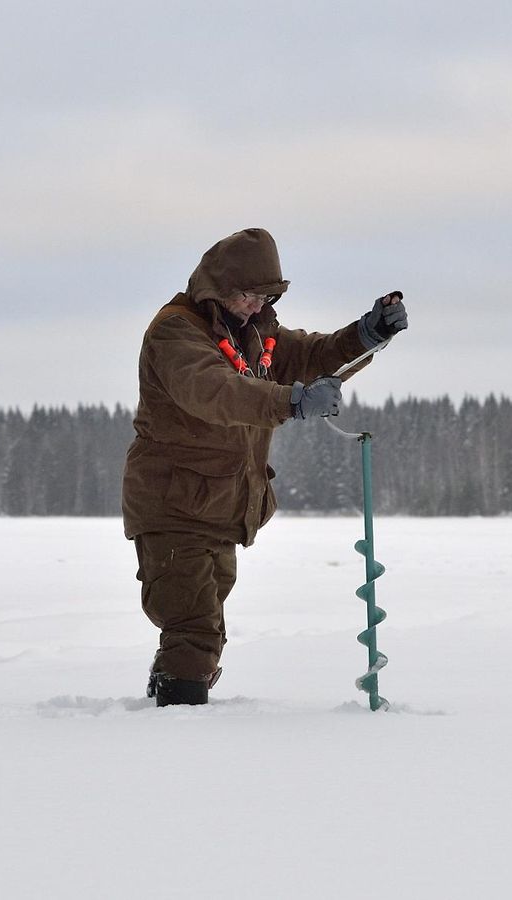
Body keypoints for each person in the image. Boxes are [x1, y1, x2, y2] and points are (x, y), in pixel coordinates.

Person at [121, 227, 408, 706]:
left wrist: (368, 333)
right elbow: (213, 391)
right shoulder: (176, 331)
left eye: (265, 296)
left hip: (221, 509)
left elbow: (316, 355)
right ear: (218, 288)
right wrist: (292, 400)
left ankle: (169, 705)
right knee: (193, 629)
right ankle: (172, 735)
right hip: (173, 508)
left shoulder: (256, 336)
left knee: (203, 630)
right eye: (247, 295)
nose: (257, 306)